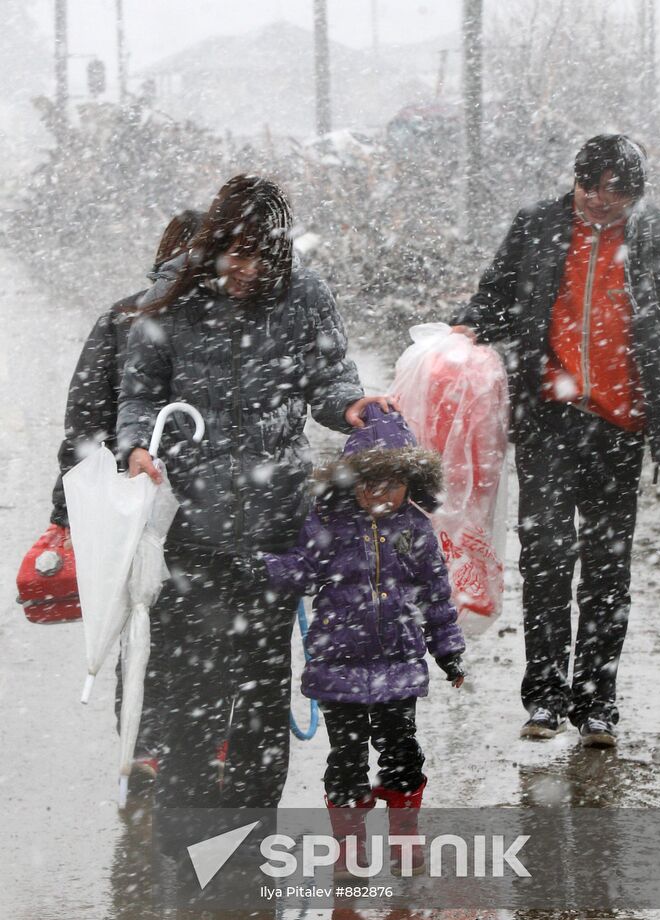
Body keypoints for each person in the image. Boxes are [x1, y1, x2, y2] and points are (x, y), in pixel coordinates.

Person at [117, 174, 391, 809]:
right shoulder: (175, 298)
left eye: (263, 257)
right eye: (237, 255)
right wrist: (134, 446)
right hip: (190, 526)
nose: (248, 270)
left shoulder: (304, 295)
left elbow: (330, 378)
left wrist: (353, 405)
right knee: (190, 686)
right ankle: (182, 824)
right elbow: (139, 395)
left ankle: (252, 819)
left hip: (275, 529)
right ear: (215, 247)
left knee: (264, 685)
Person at [453, 135, 660, 748]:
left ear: (636, 194)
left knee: (606, 567)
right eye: (590, 185)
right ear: (575, 181)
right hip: (550, 418)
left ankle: (598, 703)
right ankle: (544, 697)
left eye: (617, 190)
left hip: (620, 427)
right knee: (544, 555)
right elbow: (496, 295)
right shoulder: (538, 226)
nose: (600, 200)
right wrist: (467, 324)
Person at [241, 404, 465, 876]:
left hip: (399, 666)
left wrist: (449, 650)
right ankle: (349, 845)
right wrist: (258, 567)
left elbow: (435, 596)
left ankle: (404, 835)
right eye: (368, 483)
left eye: (392, 483)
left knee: (402, 750)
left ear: (411, 482)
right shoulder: (327, 524)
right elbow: (300, 569)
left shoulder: (416, 530)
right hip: (337, 664)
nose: (379, 495)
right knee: (346, 756)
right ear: (350, 482)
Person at [49, 209, 204, 773]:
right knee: (153, 613)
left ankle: (149, 744)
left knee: (152, 617)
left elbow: (85, 424)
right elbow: (88, 420)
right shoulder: (127, 318)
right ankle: (153, 745)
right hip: (159, 499)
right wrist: (67, 510)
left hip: (159, 501)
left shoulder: (126, 316)